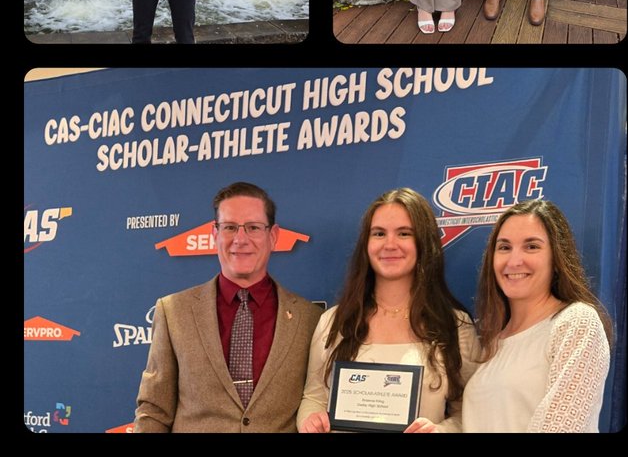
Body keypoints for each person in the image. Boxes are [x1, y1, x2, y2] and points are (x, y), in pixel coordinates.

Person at [134, 182, 321, 432]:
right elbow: (154, 411)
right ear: (214, 235)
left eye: (253, 228)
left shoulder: (309, 319)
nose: (240, 239)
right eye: (230, 227)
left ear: (273, 236)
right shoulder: (173, 312)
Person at [298, 188, 479, 433]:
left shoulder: (455, 326)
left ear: (423, 242)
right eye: (379, 233)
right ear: (367, 243)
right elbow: (314, 397)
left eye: (404, 233)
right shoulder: (333, 322)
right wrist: (310, 421)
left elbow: (469, 414)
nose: (389, 244)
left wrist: (440, 431)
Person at [462, 199, 611, 432]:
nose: (514, 261)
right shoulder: (493, 340)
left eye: (531, 246)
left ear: (556, 258)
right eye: (504, 247)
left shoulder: (577, 323)